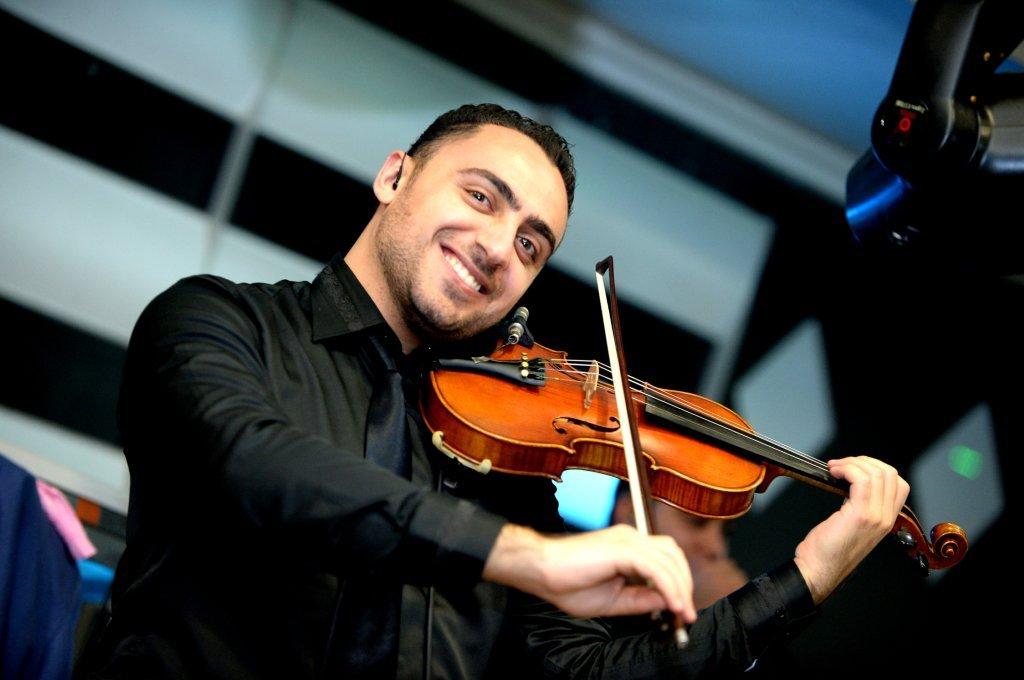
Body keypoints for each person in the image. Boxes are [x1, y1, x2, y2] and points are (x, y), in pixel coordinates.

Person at [82, 104, 910, 679]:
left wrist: (800, 582)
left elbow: (586, 672)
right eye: (480, 197)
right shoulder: (217, 322)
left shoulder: (498, 456)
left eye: (531, 244)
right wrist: (525, 558)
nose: (497, 247)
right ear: (395, 176)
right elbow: (261, 467)